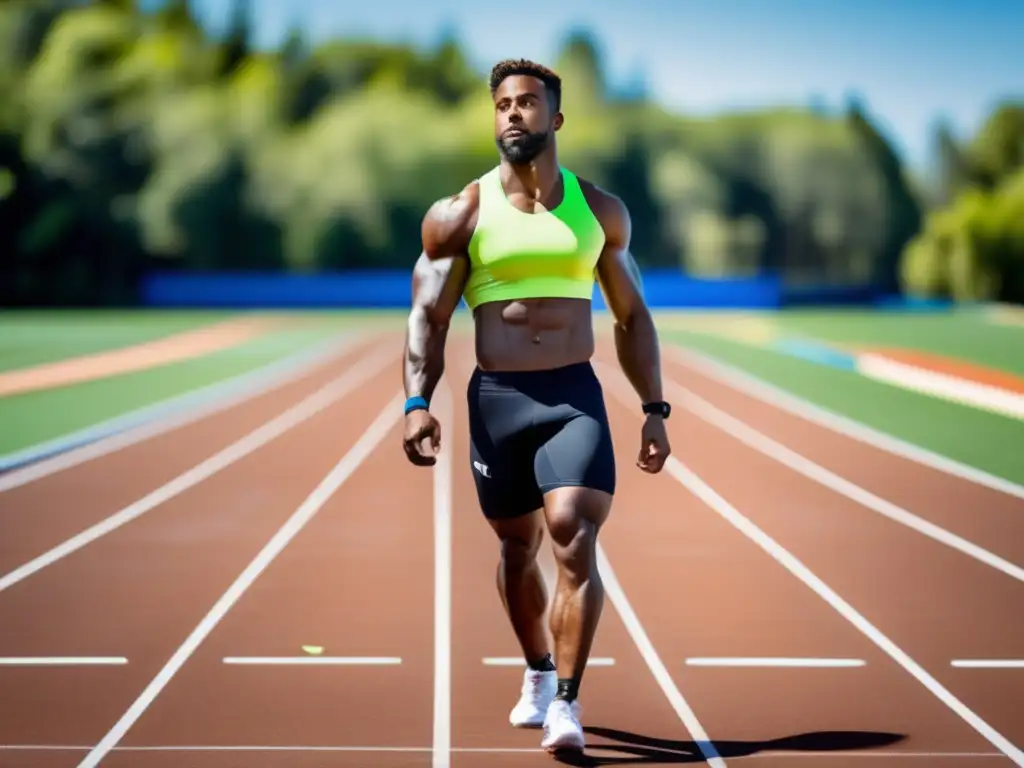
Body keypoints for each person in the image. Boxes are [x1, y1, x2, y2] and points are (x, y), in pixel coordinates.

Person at [400, 58, 671, 754]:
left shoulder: (599, 211)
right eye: (502, 104)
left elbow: (632, 316)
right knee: (516, 549)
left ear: (556, 118)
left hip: (571, 396)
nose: (513, 113)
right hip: (497, 402)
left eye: (527, 103)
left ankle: (569, 707)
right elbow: (427, 317)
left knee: (572, 531)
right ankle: (538, 672)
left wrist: (654, 408)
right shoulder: (460, 214)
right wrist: (415, 401)